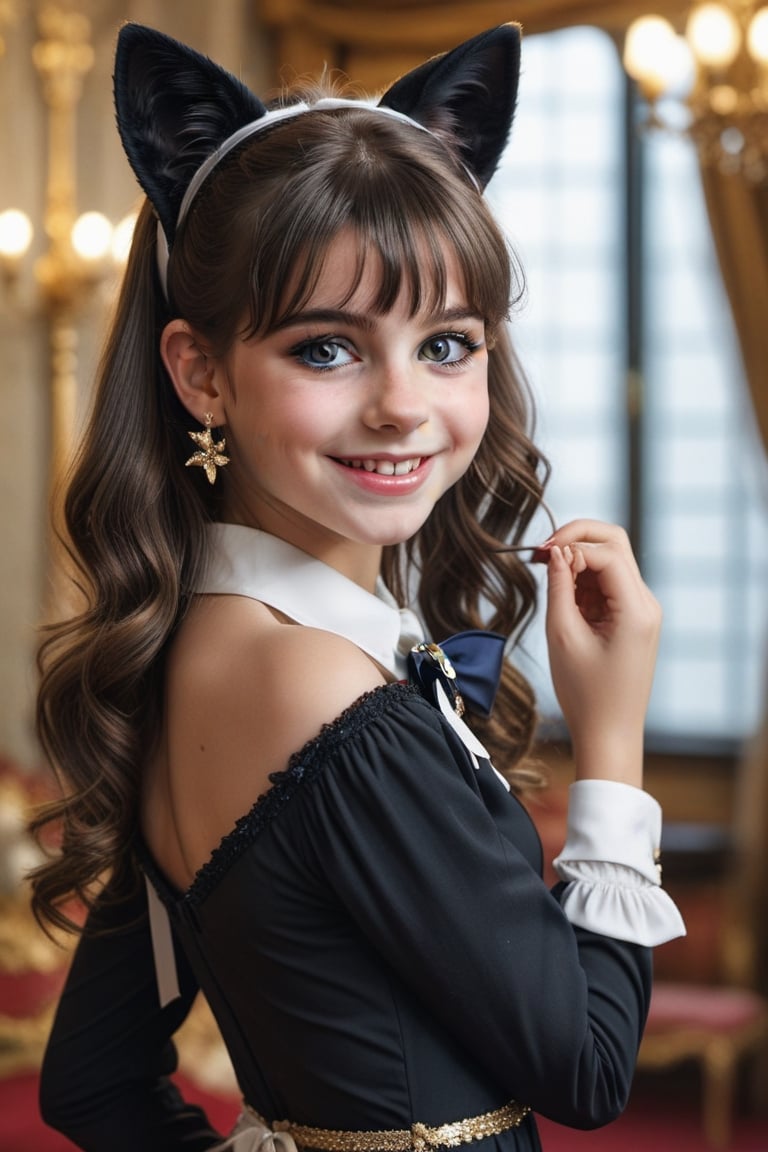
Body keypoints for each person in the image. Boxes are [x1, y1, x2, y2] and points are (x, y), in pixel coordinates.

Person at [31, 20, 685, 1152]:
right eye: (326, 349)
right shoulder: (323, 695)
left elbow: (90, 1086)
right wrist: (615, 736)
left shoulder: (198, 648)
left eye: (447, 344)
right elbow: (588, 1068)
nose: (401, 406)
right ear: (200, 372)